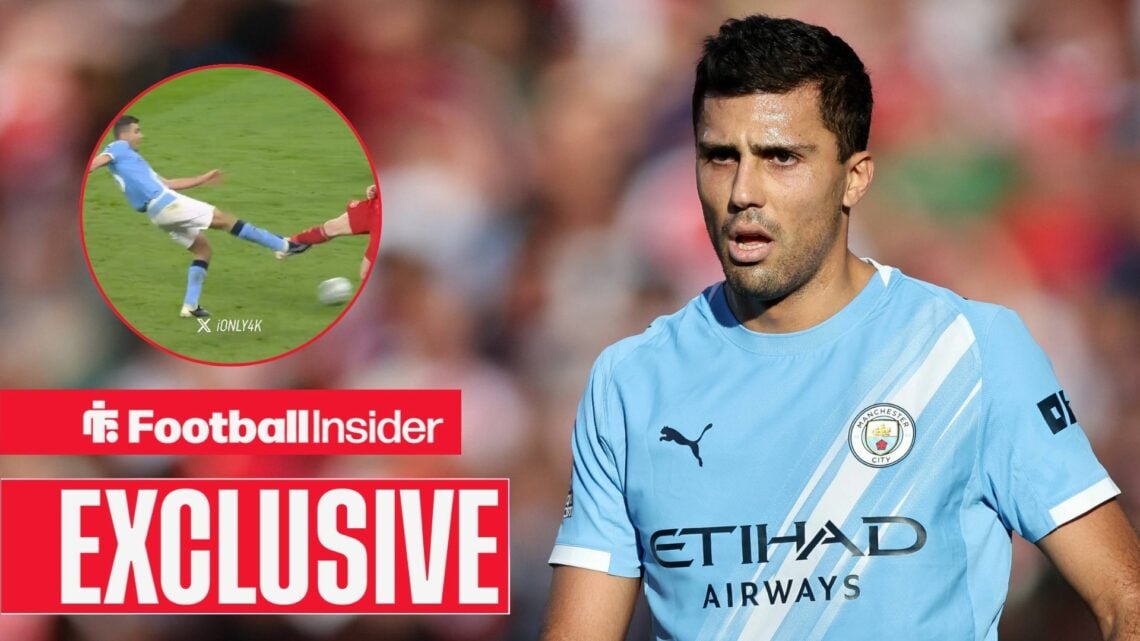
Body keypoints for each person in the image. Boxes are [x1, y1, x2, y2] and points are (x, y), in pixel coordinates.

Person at [541, 14, 1140, 641]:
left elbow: (1124, 597)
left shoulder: (970, 348)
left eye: (781, 158)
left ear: (855, 177)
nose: (745, 190)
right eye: (721, 156)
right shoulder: (630, 381)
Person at [87, 114, 310, 319]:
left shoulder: (135, 163)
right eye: (137, 131)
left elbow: (170, 184)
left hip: (158, 214)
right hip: (166, 204)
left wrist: (203, 178)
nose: (140, 136)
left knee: (203, 250)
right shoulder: (118, 147)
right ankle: (282, 246)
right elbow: (98, 161)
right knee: (225, 219)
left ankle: (190, 306)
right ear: (124, 134)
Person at [284, 183, 382, 280]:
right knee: (332, 227)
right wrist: (377, 188)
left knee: (368, 274)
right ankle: (293, 244)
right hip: (377, 207)